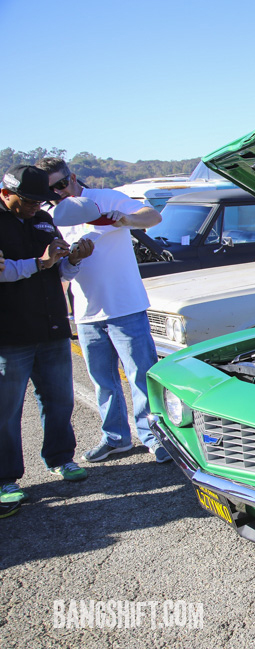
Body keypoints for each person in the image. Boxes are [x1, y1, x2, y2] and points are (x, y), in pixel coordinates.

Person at [37, 158, 171, 464]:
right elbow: (60, 269)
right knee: (103, 380)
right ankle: (115, 437)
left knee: (141, 375)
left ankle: (153, 435)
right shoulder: (53, 214)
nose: (58, 193)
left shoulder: (105, 197)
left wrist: (124, 218)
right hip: (85, 312)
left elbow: (152, 216)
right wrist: (70, 259)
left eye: (60, 184)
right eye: (50, 191)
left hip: (125, 306)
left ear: (71, 177)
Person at [0, 166, 96, 517]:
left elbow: (59, 269)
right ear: (5, 192)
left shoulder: (42, 220)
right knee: (6, 413)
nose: (32, 207)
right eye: (25, 200)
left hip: (52, 327)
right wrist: (39, 263)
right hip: (10, 334)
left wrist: (71, 259)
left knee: (59, 401)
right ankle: (5, 479)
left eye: (38, 201)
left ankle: (61, 459)